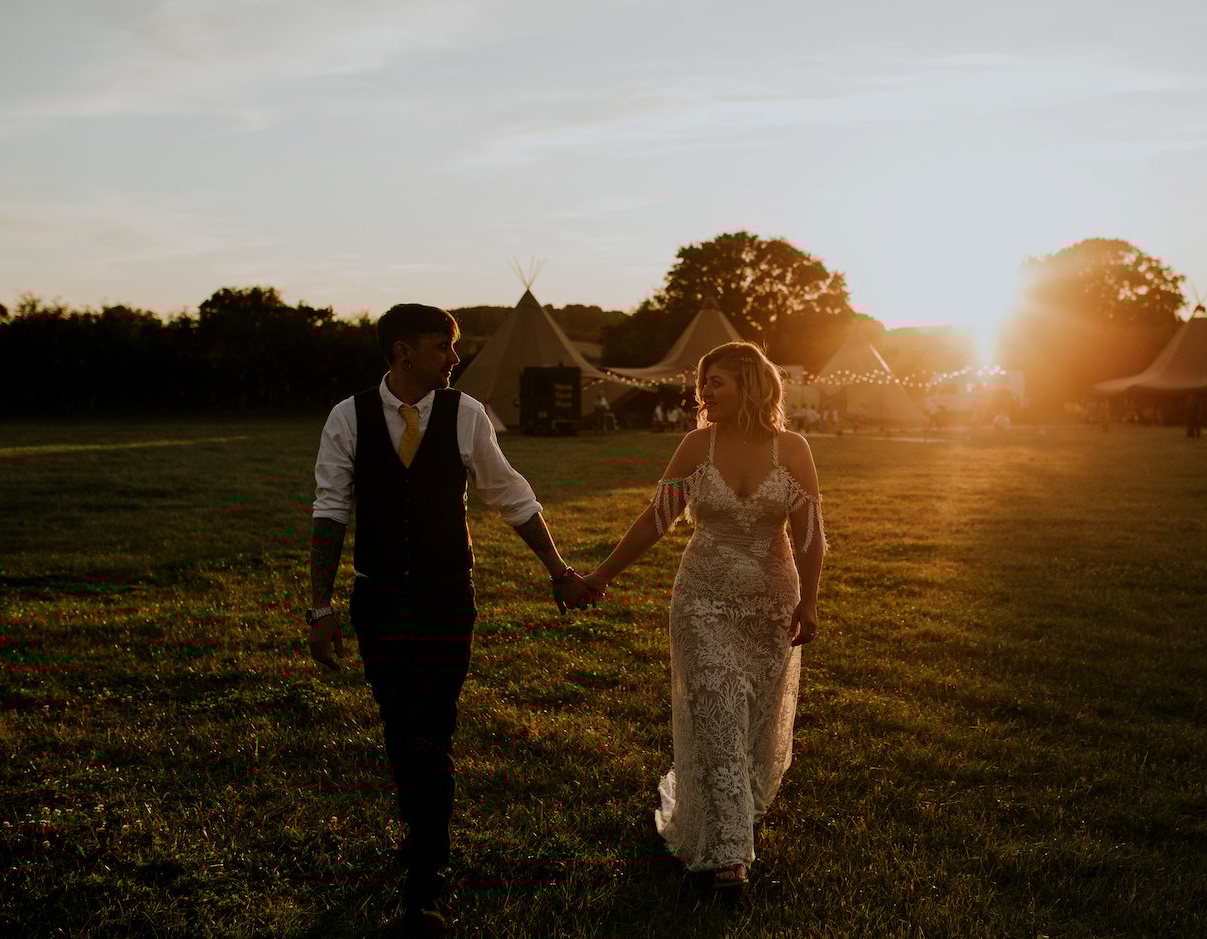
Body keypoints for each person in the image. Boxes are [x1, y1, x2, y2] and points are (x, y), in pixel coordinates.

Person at [306, 303, 598, 934]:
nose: (454, 358)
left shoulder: (466, 414)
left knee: (432, 729)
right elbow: (330, 511)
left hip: (445, 597)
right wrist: (321, 606)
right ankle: (421, 837)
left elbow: (510, 495)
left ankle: (425, 877)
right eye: (443, 348)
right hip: (378, 598)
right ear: (404, 351)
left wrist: (558, 570)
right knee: (397, 725)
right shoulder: (347, 416)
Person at [585, 341, 827, 889]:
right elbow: (657, 518)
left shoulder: (793, 449)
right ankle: (728, 857)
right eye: (703, 383)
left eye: (716, 381)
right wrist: (602, 575)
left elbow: (809, 536)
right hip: (701, 600)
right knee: (717, 707)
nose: (704, 392)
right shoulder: (697, 445)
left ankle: (726, 813)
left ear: (751, 383)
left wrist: (808, 600)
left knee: (753, 724)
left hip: (770, 603)